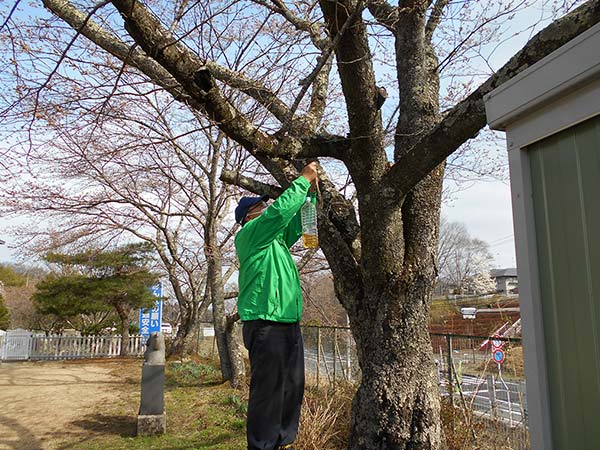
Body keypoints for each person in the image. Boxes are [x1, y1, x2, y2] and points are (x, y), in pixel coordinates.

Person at [234, 162, 318, 450]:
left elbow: (297, 224)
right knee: (268, 393)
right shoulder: (250, 235)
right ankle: (261, 446)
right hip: (266, 323)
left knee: (291, 390)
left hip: (288, 322)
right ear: (250, 215)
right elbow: (280, 212)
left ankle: (282, 442)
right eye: (261, 206)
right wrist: (303, 180)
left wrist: (311, 196)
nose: (265, 209)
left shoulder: (277, 242)